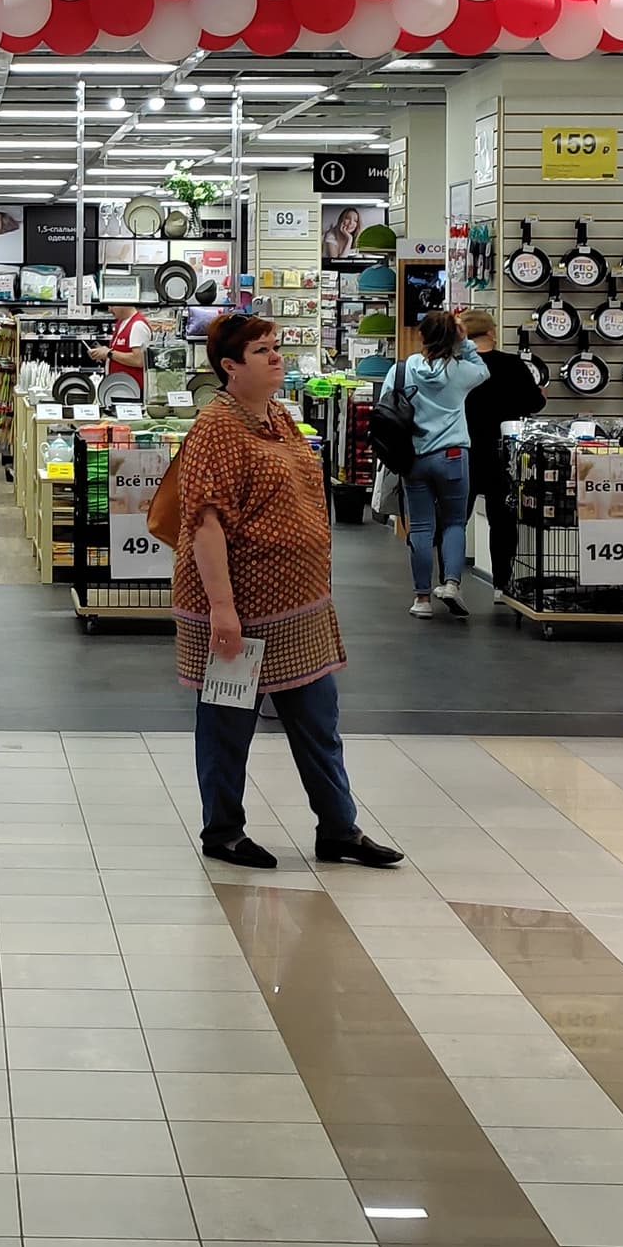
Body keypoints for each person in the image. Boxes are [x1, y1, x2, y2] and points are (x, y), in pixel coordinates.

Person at [174, 312, 401, 872]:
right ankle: (223, 831)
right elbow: (204, 524)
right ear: (230, 366)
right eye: (261, 351)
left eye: (275, 346)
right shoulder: (215, 428)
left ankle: (339, 829)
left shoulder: (278, 415)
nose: (276, 356)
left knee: (319, 723)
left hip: (299, 610)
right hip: (240, 612)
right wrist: (222, 609)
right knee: (227, 726)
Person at [379, 309, 487, 619]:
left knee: (421, 527)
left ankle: (422, 598)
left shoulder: (403, 370)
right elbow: (483, 370)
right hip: (453, 456)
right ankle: (451, 584)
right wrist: (464, 343)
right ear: (454, 337)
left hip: (414, 457)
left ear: (421, 335)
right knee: (454, 522)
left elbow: (385, 405)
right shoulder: (461, 371)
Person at [459, 307, 545, 598]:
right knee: (502, 520)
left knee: (456, 520)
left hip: (464, 450)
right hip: (504, 453)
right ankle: (502, 584)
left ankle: (449, 580)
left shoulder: (458, 366)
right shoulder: (512, 365)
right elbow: (534, 404)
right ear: (491, 332)